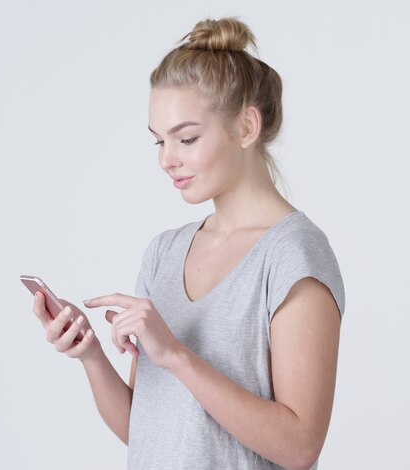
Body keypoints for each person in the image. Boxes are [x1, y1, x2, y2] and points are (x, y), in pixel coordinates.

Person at [31, 16, 345, 470]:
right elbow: (147, 430)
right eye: (159, 141)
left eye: (187, 138)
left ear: (246, 127)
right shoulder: (164, 252)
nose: (166, 159)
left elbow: (300, 447)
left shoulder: (294, 255)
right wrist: (91, 355)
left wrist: (176, 355)